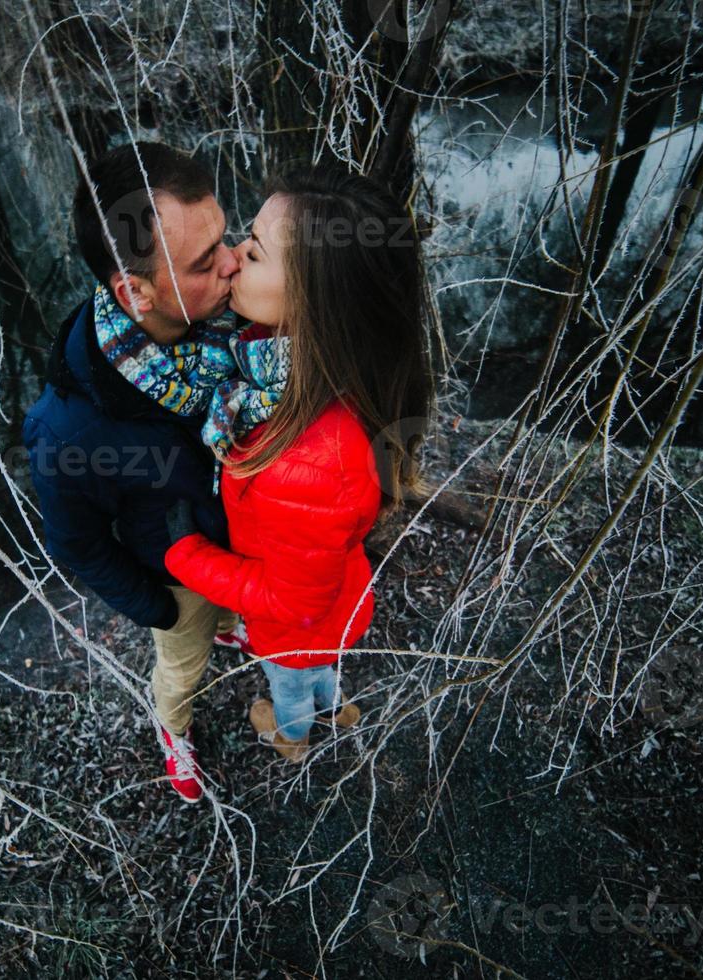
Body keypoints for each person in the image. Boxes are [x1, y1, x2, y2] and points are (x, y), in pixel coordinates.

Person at [162, 165, 433, 762]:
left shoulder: (308, 455)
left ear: (314, 302)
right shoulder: (302, 379)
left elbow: (292, 602)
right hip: (334, 605)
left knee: (291, 684)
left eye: (253, 252)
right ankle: (335, 709)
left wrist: (186, 554)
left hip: (296, 630)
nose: (231, 259)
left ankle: (293, 736)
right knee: (325, 669)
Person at [21, 142, 243, 802]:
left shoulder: (229, 327)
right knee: (184, 664)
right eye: (207, 262)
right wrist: (157, 606)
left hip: (237, 535)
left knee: (231, 611)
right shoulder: (68, 430)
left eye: (225, 238)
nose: (235, 262)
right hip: (178, 575)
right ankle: (172, 726)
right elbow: (74, 542)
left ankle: (234, 621)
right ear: (135, 291)